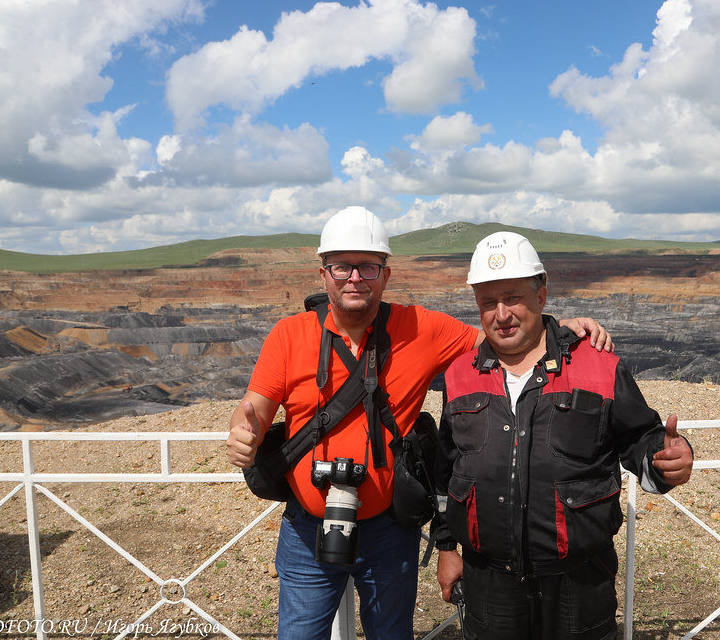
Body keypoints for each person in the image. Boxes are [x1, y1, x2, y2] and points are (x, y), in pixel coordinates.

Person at [225, 207, 611, 640]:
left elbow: (498, 337)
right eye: (342, 267)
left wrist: (559, 329)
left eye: (368, 266)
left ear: (385, 275)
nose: (355, 277)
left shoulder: (420, 327)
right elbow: (253, 409)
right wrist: (245, 437)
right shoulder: (289, 334)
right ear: (323, 274)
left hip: (388, 531)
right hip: (306, 530)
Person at [432, 231, 694, 640]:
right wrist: (448, 548)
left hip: (579, 581)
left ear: (541, 296)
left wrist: (664, 460)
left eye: (513, 297)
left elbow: (641, 438)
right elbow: (447, 471)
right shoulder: (459, 375)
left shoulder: (599, 366)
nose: (501, 314)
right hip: (489, 582)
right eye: (487, 302)